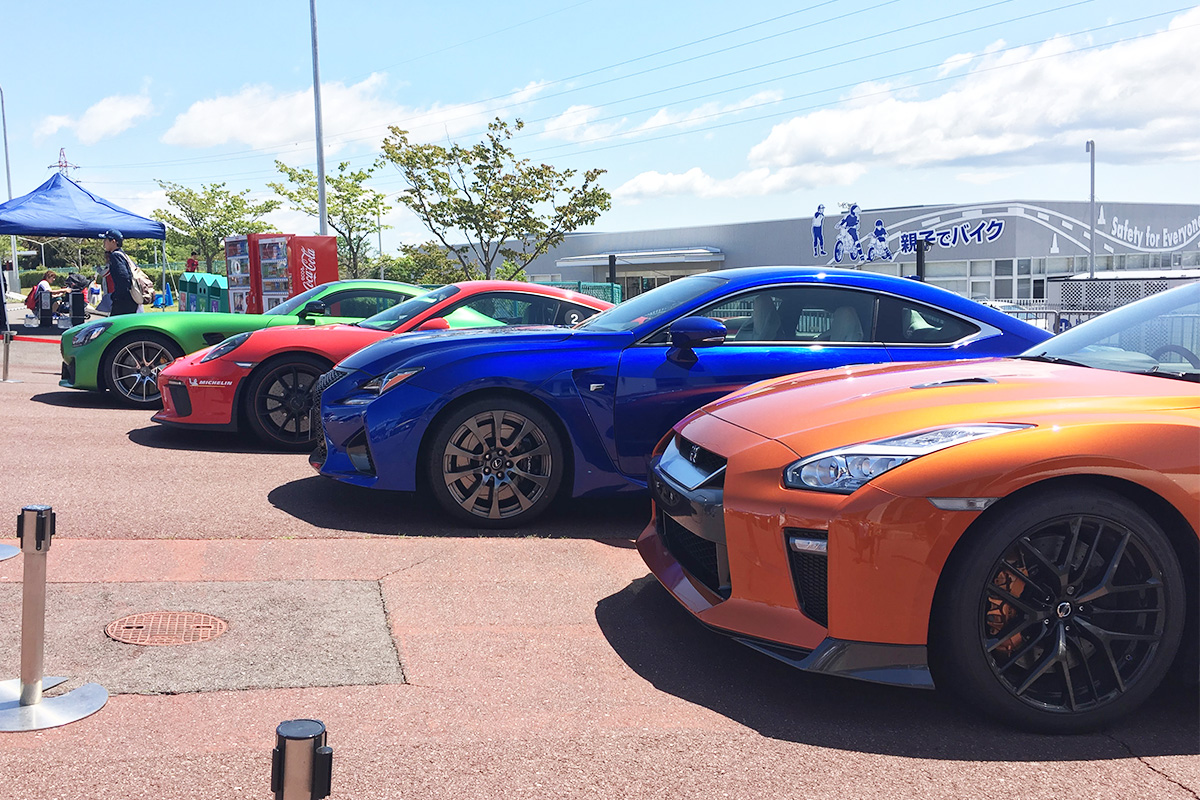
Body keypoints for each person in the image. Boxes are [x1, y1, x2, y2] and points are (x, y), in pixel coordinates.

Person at [100, 229, 139, 316]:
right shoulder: (123, 254)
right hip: (130, 299)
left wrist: (116, 296)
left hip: (123, 301)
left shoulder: (115, 256)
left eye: (106, 240)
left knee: (116, 327)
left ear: (113, 241)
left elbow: (124, 278)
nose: (104, 243)